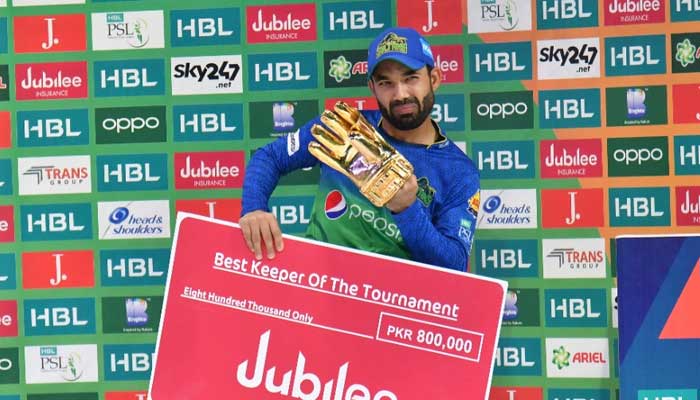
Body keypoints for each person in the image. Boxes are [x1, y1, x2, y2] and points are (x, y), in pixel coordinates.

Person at [239, 27, 480, 272]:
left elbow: (455, 264)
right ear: (372, 88)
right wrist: (254, 207)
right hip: (320, 286)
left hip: (391, 300)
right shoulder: (344, 127)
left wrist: (407, 209)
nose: (400, 94)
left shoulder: (459, 171)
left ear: (435, 79)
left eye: (411, 78)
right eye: (386, 83)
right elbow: (270, 156)